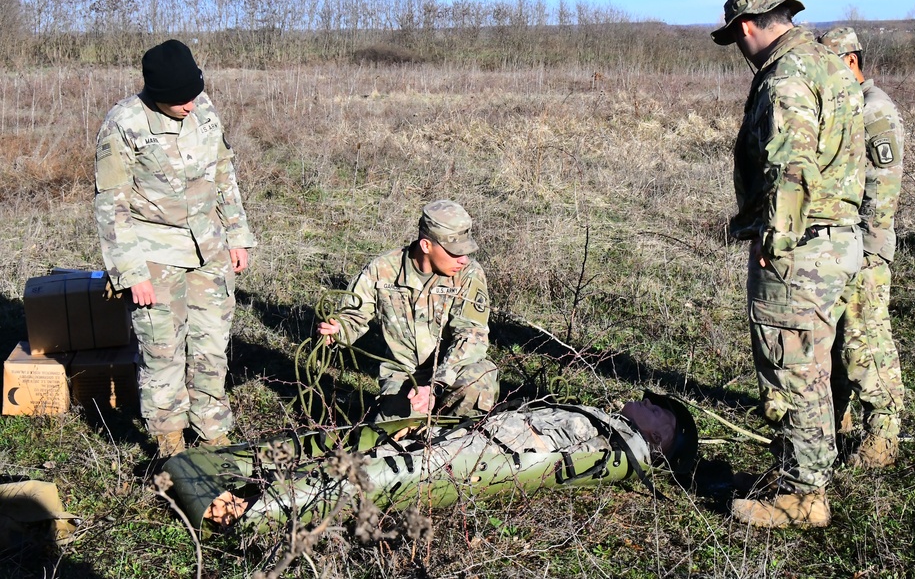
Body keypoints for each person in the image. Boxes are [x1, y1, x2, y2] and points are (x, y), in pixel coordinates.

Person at [711, 0, 866, 528]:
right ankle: (813, 471)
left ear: (746, 27)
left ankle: (803, 496)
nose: (739, 51)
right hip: (842, 237)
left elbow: (792, 165)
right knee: (816, 365)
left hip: (802, 246)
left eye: (736, 39)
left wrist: (775, 242)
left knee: (791, 367)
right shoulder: (830, 65)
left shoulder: (786, 78)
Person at [162, 392, 699, 530]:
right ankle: (210, 467)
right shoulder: (609, 426)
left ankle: (245, 507)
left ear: (661, 444)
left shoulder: (618, 451)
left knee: (376, 472)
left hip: (489, 453)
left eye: (659, 412)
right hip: (480, 437)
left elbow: (551, 457)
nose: (646, 405)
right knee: (356, 443)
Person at [94, 39, 256, 458]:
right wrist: (132, 273)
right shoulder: (124, 123)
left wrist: (237, 235)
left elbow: (224, 172)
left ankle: (212, 430)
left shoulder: (203, 107)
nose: (189, 105)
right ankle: (170, 442)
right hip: (155, 253)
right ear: (156, 95)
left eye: (193, 95)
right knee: (163, 351)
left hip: (209, 247)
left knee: (211, 343)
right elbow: (111, 203)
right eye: (178, 100)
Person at [318, 200, 496, 420]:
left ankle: (461, 435)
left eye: (466, 251)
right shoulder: (382, 270)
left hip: (454, 371)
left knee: (477, 384)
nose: (463, 259)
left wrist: (436, 385)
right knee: (393, 431)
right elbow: (353, 315)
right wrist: (337, 330)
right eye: (454, 252)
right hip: (404, 376)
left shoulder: (468, 274)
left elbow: (472, 337)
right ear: (426, 246)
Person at [819, 27, 906, 468]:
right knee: (835, 339)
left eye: (831, 65)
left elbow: (881, 192)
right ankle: (838, 418)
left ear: (852, 61)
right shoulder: (846, 108)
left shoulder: (875, 112)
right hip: (840, 247)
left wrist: (867, 254)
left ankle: (884, 432)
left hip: (865, 249)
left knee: (866, 338)